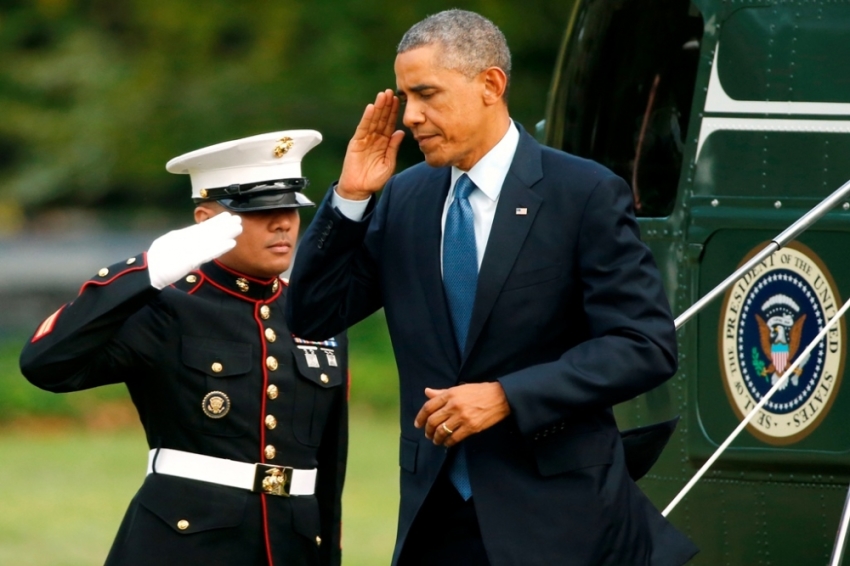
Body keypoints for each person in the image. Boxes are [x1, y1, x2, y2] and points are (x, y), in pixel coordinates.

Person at [286, 9, 698, 566]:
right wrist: (351, 198)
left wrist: (508, 395)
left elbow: (644, 346)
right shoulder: (405, 197)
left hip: (558, 521)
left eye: (426, 94)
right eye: (405, 97)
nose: (411, 116)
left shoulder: (583, 193)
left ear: (490, 84)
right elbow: (311, 315)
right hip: (435, 522)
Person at [19, 130, 348, 566]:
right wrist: (145, 271)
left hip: (292, 546)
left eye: (290, 208)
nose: (282, 223)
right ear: (205, 219)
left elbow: (330, 464)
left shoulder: (312, 316)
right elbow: (44, 363)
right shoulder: (169, 307)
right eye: (258, 211)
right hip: (185, 544)